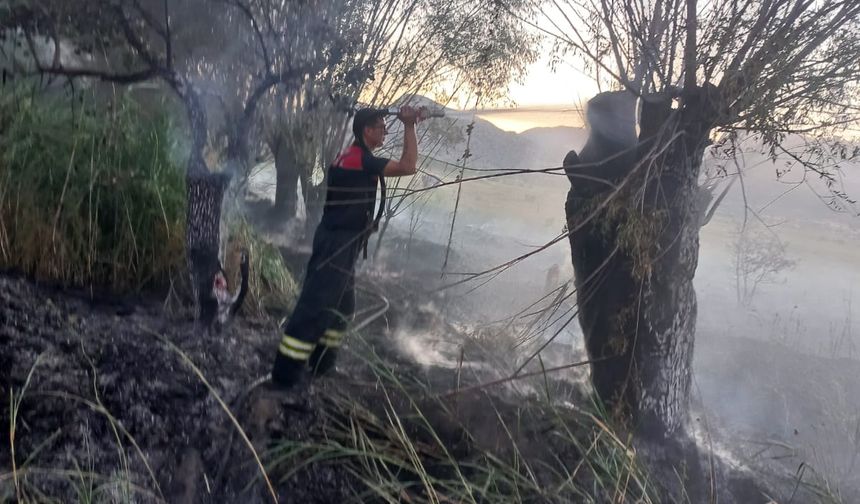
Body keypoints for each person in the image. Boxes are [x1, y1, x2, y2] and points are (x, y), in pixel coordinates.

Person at [271, 105, 424, 388]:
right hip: (337, 243)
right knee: (315, 306)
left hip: (341, 240)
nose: (385, 130)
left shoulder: (353, 155)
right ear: (366, 130)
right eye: (381, 126)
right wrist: (409, 125)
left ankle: (321, 366)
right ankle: (284, 376)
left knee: (343, 306)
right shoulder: (359, 159)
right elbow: (408, 166)